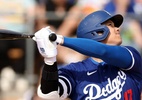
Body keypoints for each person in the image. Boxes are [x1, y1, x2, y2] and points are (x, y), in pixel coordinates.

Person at [33, 10, 142, 99]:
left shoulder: (131, 54)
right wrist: (50, 59)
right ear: (97, 32)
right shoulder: (75, 70)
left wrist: (59, 39)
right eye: (110, 25)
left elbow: (103, 51)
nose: (118, 28)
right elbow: (49, 94)